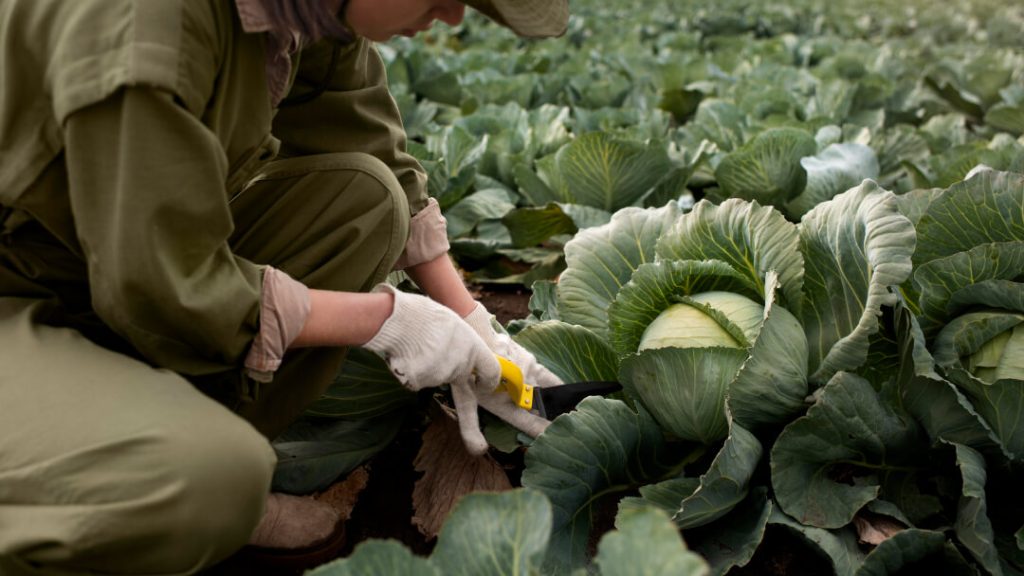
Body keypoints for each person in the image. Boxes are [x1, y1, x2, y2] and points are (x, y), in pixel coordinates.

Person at [0, 0, 568, 573]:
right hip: (24, 293)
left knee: (364, 201)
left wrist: (475, 326)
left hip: (91, 260)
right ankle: (150, 480)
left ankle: (163, 448)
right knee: (207, 480)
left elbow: (360, 128)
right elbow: (163, 286)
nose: (451, 15)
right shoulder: (145, 27)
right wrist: (386, 320)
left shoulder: (310, 9)